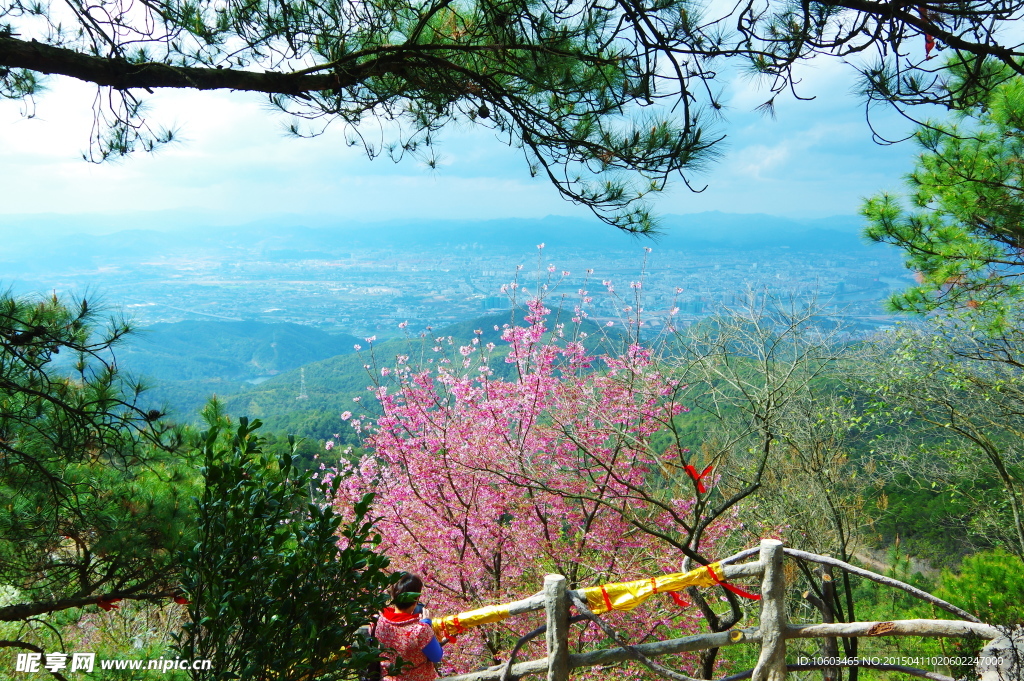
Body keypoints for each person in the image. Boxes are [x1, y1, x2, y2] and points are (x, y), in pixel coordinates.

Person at [375, 573, 446, 681]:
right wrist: (427, 624)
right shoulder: (420, 630)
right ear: (416, 599)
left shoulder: (381, 620)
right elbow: (437, 656)